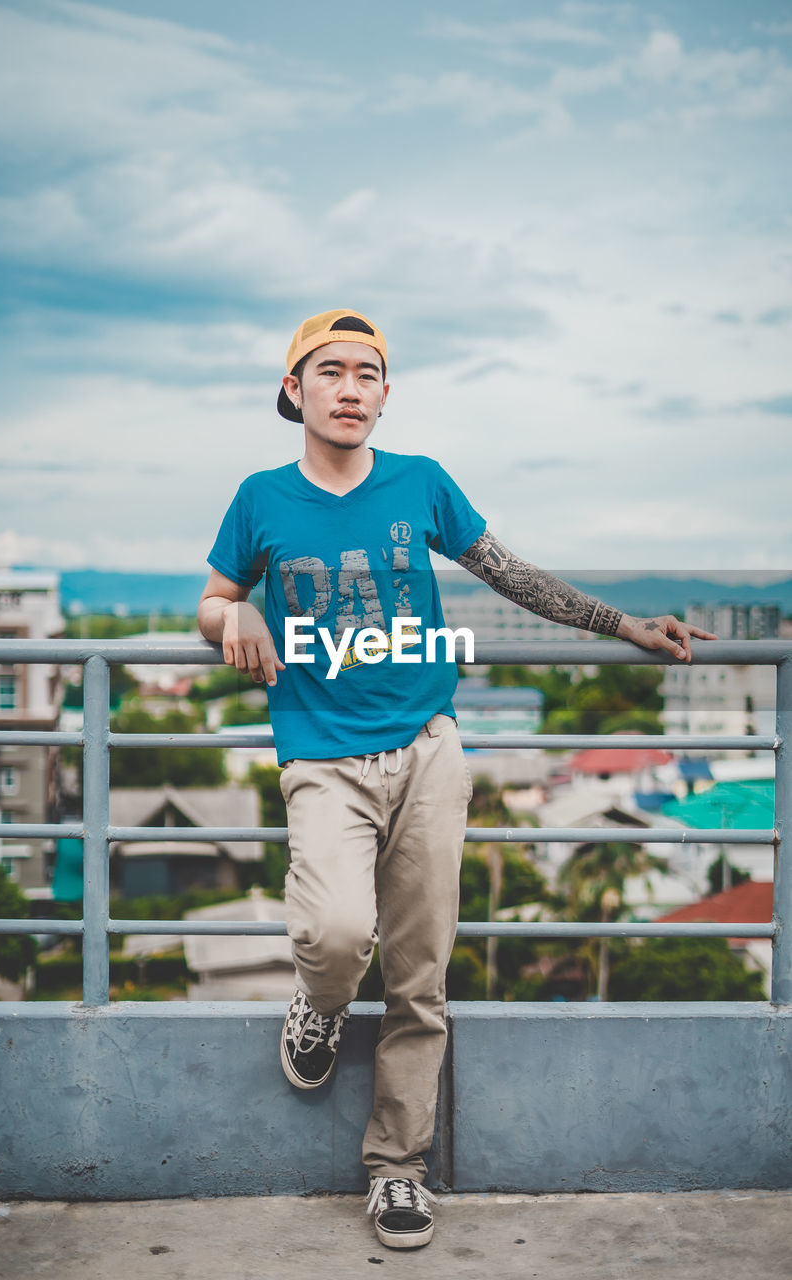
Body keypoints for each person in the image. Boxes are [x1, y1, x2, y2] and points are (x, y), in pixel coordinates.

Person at [197, 309, 714, 1250]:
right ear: (293, 392)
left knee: (418, 976)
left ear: (385, 395)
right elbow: (215, 594)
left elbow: (506, 574)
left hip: (428, 752)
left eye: (369, 374)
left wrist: (621, 625)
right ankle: (315, 1008)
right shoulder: (260, 497)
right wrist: (227, 620)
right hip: (321, 755)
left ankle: (397, 1171)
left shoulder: (419, 484)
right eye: (330, 373)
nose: (350, 388)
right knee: (335, 931)